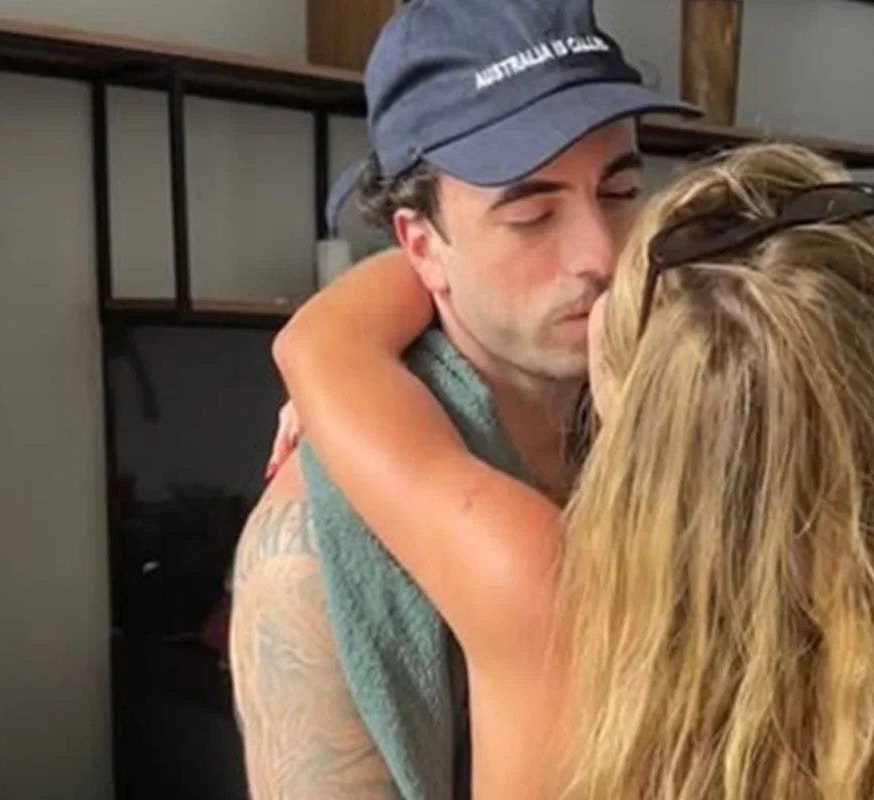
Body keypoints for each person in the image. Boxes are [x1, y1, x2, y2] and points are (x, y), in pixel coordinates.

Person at [271, 142, 874, 799]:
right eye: (534, 215)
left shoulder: (545, 600)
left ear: (629, 395)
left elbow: (318, 346)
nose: (597, 260)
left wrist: (437, 252)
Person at [227, 0, 695, 796]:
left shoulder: (692, 396)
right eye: (532, 216)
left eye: (619, 192)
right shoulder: (315, 548)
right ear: (422, 246)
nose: (601, 255)